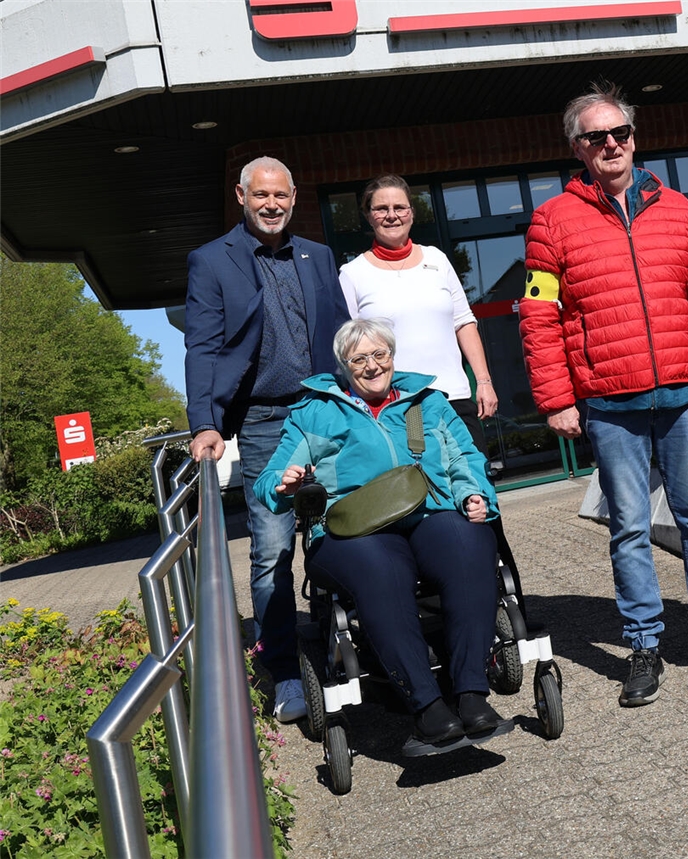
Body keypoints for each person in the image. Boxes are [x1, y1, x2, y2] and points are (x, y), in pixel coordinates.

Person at [519, 81, 688, 708]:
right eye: (596, 136)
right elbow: (538, 315)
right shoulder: (551, 220)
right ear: (577, 147)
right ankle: (644, 645)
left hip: (682, 393)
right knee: (629, 527)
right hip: (608, 402)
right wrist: (556, 398)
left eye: (620, 133)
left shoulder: (680, 211)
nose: (611, 145)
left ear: (635, 138)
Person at [254, 317, 511, 753]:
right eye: (359, 359)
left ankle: (471, 695)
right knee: (382, 573)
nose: (373, 366)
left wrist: (473, 494)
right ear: (343, 365)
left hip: (429, 512)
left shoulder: (427, 402)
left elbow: (465, 455)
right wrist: (285, 483)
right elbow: (269, 479)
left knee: (472, 547)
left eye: (380, 354)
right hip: (351, 529)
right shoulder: (314, 411)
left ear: (393, 356)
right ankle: (428, 709)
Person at [184, 156, 351, 723]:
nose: (272, 205)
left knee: (349, 529)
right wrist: (205, 421)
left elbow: (346, 338)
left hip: (326, 415)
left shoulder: (319, 256)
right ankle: (283, 673)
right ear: (241, 196)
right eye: (261, 196)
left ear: (294, 195)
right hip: (261, 425)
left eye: (281, 195)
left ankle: (351, 647)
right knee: (274, 549)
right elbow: (202, 347)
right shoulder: (211, 262)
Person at [338, 173, 497, 449]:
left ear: (411, 213)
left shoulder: (437, 259)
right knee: (424, 485)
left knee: (476, 484)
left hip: (455, 398)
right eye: (381, 209)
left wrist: (483, 381)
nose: (392, 215)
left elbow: (464, 322)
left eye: (399, 207)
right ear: (368, 215)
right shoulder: (353, 274)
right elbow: (348, 350)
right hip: (403, 405)